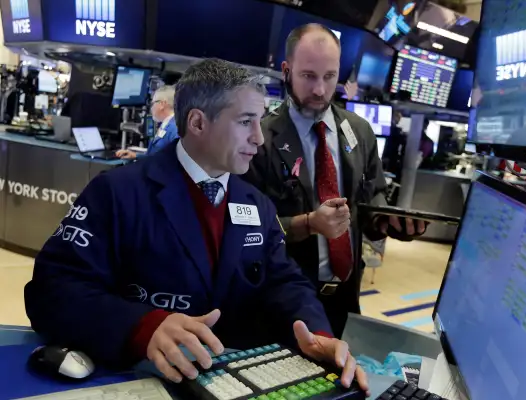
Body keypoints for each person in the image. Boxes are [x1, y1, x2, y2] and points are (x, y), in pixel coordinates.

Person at [24, 59, 369, 392]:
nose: (259, 139)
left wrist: (317, 336)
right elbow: (52, 290)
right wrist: (143, 326)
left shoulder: (255, 204)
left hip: (232, 384)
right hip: (142, 381)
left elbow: (285, 282)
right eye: (246, 121)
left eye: (259, 121)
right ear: (198, 123)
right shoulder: (118, 193)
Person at [242, 24, 426, 338]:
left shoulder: (360, 131)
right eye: (308, 76)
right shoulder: (260, 140)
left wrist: (386, 220)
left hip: (346, 297)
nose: (320, 90)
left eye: (329, 76)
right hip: (285, 303)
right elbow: (249, 232)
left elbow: (373, 195)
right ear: (286, 71)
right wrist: (310, 223)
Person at [116, 85, 179, 159]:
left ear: (162, 104)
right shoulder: (166, 125)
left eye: (152, 103)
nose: (151, 108)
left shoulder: (175, 128)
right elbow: (156, 155)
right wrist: (135, 155)